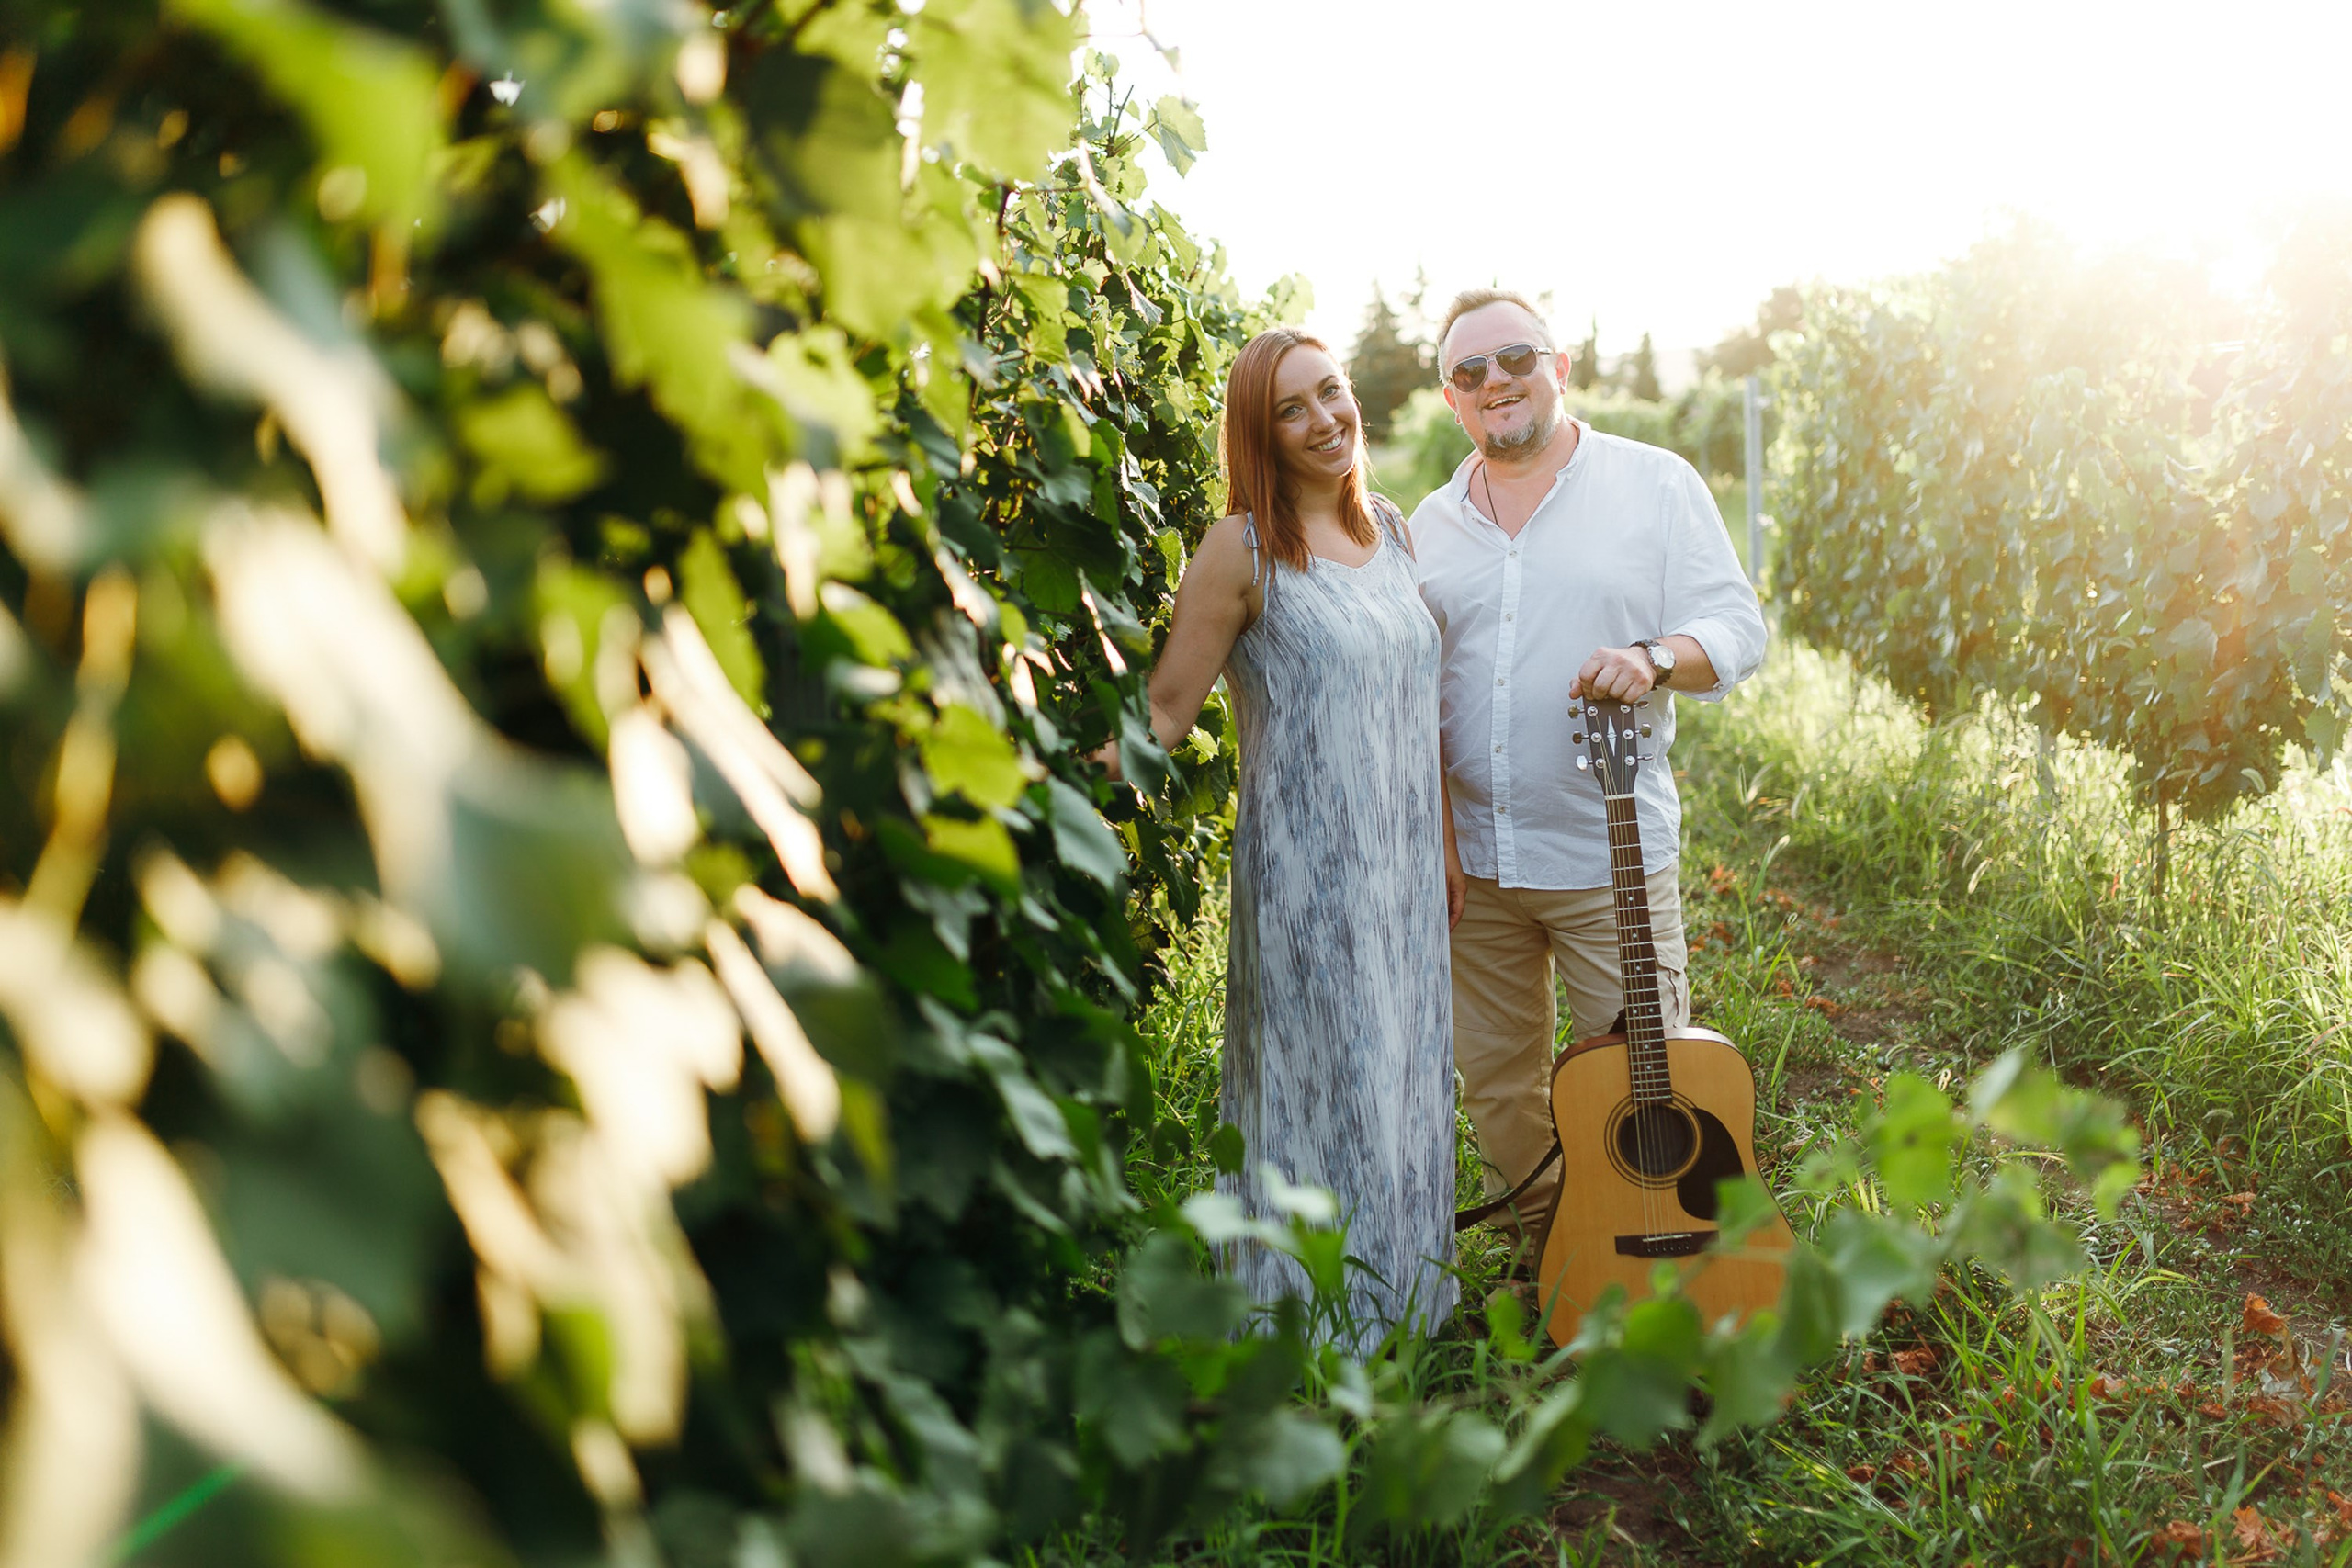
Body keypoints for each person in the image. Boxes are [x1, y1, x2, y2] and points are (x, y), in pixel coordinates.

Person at [1408, 288, 1767, 1258]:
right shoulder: (1426, 529)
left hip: (1609, 856)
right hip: (1474, 870)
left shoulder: (1653, 486)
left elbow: (1737, 625)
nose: (1496, 383)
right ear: (1452, 400)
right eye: (1470, 373)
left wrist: (1653, 657)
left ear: (1559, 368)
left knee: (1648, 1085)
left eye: (1515, 358)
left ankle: (1663, 1267)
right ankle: (1552, 1266)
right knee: (1500, 1087)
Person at [1115, 326, 1457, 1344]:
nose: (1324, 421)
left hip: (1403, 870)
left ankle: (1405, 1312)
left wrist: (1440, 847)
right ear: (1257, 436)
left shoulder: (1391, 531)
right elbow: (1166, 714)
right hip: (1308, 873)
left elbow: (1420, 704)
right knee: (1322, 1091)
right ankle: (1303, 1335)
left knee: (1403, 1077)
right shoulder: (1242, 550)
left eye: (1331, 393)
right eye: (1290, 410)